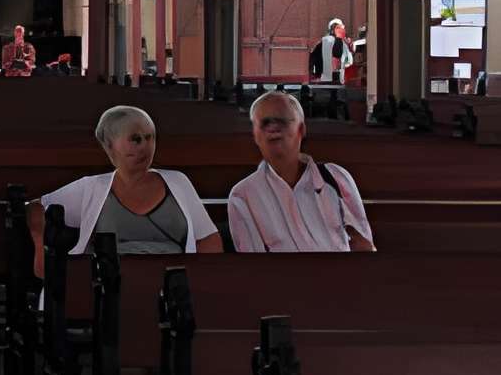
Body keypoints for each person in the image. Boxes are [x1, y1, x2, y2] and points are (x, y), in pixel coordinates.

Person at [29, 105, 222, 275]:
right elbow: (36, 207)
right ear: (109, 145)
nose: (146, 147)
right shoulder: (92, 187)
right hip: (111, 286)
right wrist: (40, 245)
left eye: (150, 138)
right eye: (136, 139)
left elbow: (208, 238)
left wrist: (200, 281)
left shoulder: (178, 182)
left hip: (172, 285)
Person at [229, 91, 374, 252]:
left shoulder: (336, 177)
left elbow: (364, 245)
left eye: (282, 121)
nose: (273, 128)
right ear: (255, 135)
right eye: (264, 123)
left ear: (301, 129)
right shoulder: (243, 195)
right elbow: (254, 267)